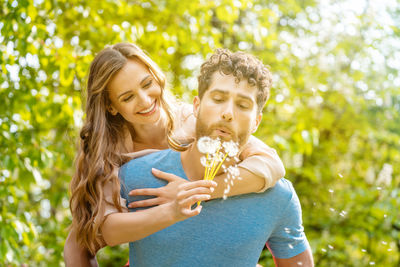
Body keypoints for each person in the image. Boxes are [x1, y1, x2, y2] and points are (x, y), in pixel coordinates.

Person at [64, 43, 286, 266]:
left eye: (147, 84)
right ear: (111, 107)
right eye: (127, 97)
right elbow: (98, 235)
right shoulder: (108, 155)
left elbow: (271, 165)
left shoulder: (195, 119)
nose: (144, 100)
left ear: (157, 77)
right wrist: (172, 210)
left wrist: (198, 192)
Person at [119, 48, 314, 266]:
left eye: (242, 105)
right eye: (218, 98)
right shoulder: (134, 175)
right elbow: (86, 241)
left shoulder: (278, 198)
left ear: (256, 122)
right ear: (196, 106)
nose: (228, 113)